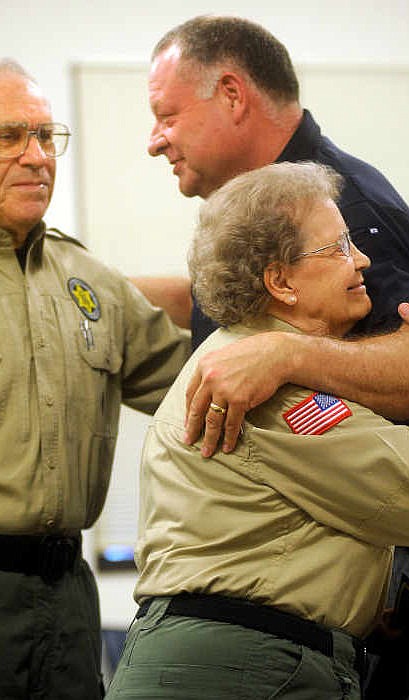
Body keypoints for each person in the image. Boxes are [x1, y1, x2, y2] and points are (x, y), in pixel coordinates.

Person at [0, 56, 191, 700]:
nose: (36, 156)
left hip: (64, 593)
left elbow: (198, 384)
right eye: (8, 136)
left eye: (46, 135)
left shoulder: (87, 280)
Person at [132, 18, 409, 696]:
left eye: (167, 115)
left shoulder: (340, 209)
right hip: (251, 658)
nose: (153, 140)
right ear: (275, 281)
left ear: (230, 93)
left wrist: (287, 349)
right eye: (338, 251)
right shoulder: (264, 375)